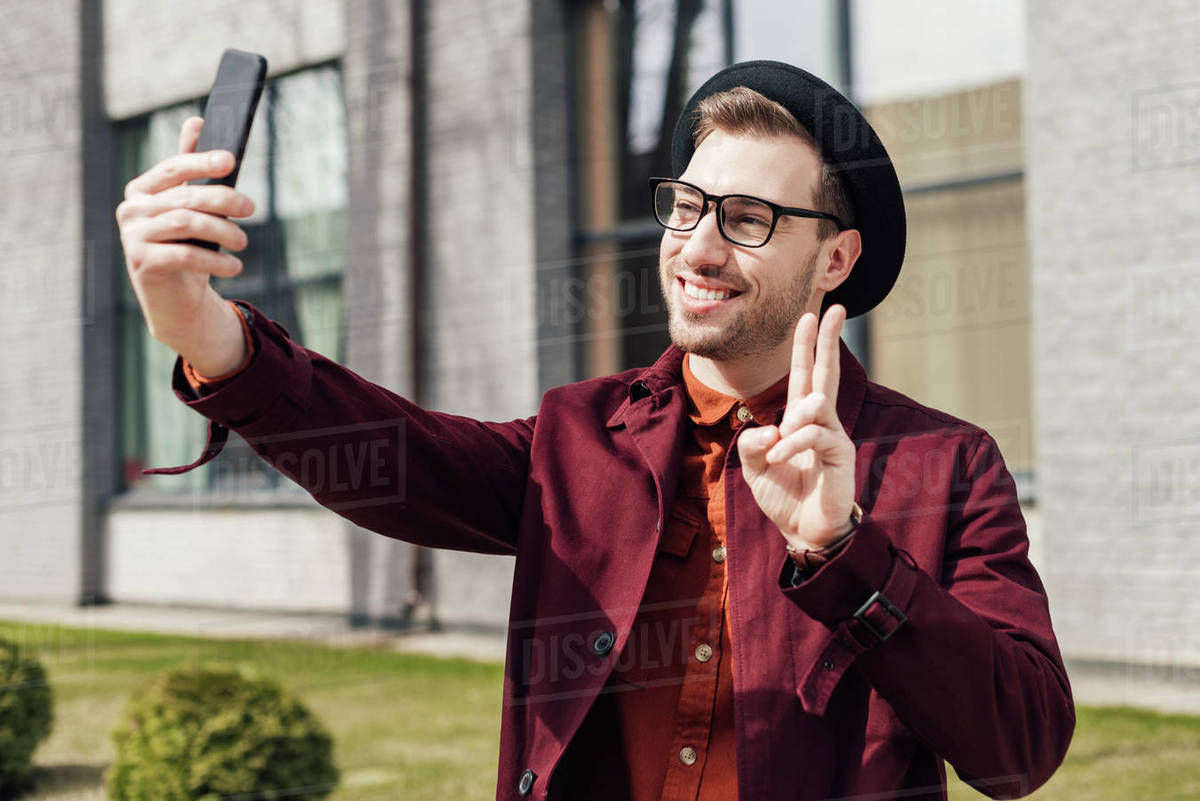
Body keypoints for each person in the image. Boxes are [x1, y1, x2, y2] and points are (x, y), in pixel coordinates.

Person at [116, 61, 1074, 801]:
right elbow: (390, 456)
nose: (697, 246)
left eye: (746, 218)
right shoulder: (580, 436)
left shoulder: (946, 466)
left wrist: (842, 547)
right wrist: (209, 334)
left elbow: (1020, 748)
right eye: (689, 206)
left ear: (836, 255)